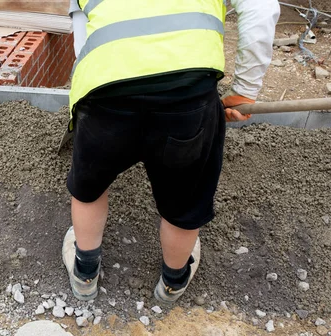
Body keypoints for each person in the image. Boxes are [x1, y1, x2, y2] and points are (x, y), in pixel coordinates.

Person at [62, 0, 280, 303]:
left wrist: (95, 89)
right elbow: (261, 9)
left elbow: (83, 40)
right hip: (186, 99)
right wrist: (245, 87)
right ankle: (172, 284)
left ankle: (85, 275)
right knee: (184, 197)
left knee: (90, 185)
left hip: (106, 93)